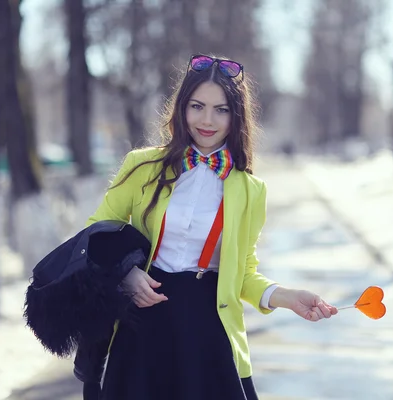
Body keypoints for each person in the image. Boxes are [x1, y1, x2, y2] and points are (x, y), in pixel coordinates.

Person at [85, 54, 338, 400]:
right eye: (197, 106)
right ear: (181, 108)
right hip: (141, 321)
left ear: (237, 116)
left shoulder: (251, 190)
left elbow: (243, 271)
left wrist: (288, 297)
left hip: (207, 327)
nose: (207, 120)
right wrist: (126, 273)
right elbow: (96, 233)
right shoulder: (142, 166)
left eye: (221, 110)